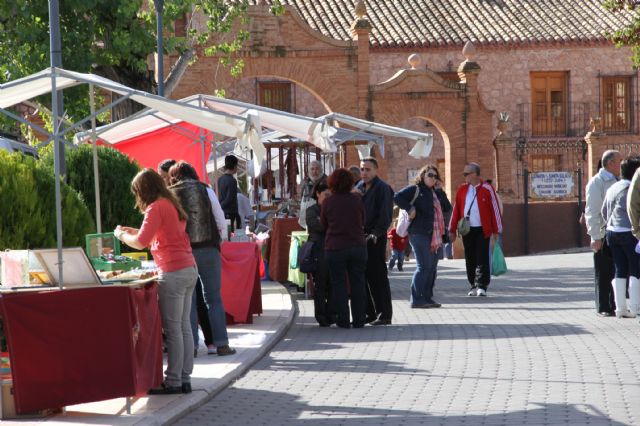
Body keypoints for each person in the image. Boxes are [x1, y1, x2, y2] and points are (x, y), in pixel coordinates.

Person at [114, 168, 197, 395]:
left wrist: (121, 235)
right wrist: (134, 231)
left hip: (173, 271)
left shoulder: (155, 207)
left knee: (174, 329)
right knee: (184, 327)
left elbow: (140, 242)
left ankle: (173, 382)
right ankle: (184, 378)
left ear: (144, 190)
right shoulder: (171, 204)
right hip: (188, 268)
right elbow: (157, 236)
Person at [168, 161, 236, 356]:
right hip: (208, 247)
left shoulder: (170, 194)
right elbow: (219, 218)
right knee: (213, 298)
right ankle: (222, 344)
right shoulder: (205, 189)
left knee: (188, 299)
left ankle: (192, 347)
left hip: (184, 251)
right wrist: (219, 240)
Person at [395, 165, 450, 308]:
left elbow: (447, 208)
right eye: (430, 175)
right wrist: (410, 208)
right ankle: (416, 299)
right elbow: (397, 197)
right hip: (419, 234)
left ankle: (427, 297)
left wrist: (439, 190)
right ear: (423, 175)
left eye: (435, 176)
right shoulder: (415, 189)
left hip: (435, 236)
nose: (433, 178)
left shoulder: (436, 193)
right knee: (423, 267)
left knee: (432, 268)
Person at [321, 168, 368, 328]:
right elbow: (363, 220)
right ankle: (359, 319)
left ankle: (343, 320)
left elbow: (324, 224)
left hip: (335, 247)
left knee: (339, 284)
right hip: (357, 245)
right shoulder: (357, 199)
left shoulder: (328, 202)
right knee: (358, 283)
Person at [448, 162, 502, 297]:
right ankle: (472, 284)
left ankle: (482, 286)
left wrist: (497, 230)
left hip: (483, 229)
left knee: (482, 257)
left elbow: (495, 210)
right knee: (470, 257)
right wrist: (451, 229)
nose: (464, 176)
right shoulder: (462, 190)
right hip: (467, 230)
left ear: (475, 174)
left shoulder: (487, 188)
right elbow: (456, 210)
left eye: (466, 174)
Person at [356, 157, 394, 325]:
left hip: (375, 239)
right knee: (362, 277)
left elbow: (385, 216)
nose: (364, 172)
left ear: (376, 170)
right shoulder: (358, 187)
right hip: (359, 238)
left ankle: (384, 314)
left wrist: (376, 234)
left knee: (378, 277)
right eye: (362, 169)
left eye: (367, 169)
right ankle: (369, 313)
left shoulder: (382, 188)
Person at [603, 156, 640, 318]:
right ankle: (636, 307)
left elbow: (604, 211)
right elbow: (634, 211)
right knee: (635, 268)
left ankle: (620, 308)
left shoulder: (613, 187)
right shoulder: (630, 188)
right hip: (628, 232)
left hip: (612, 231)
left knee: (619, 269)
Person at [586, 150, 621, 316]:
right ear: (610, 163)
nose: (621, 165)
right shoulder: (597, 182)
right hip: (603, 233)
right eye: (618, 162)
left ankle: (616, 304)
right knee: (603, 271)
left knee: (616, 270)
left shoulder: (618, 180)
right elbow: (592, 211)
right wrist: (595, 236)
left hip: (617, 232)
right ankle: (604, 307)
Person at [305, 179, 334, 326]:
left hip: (333, 249)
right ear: (318, 194)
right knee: (321, 284)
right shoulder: (311, 210)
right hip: (319, 251)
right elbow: (319, 227)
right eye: (326, 195)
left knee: (333, 284)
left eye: (331, 195)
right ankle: (321, 316)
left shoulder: (334, 208)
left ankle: (331, 314)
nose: (329, 198)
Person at [298, 160, 327, 229]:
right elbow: (301, 198)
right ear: (309, 171)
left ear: (322, 169)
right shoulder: (305, 183)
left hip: (319, 222)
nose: (314, 171)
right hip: (303, 223)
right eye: (312, 169)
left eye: (317, 169)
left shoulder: (327, 182)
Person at [218, 155, 241, 231]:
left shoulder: (220, 179)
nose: (237, 168)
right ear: (234, 166)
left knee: (225, 234)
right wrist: (221, 206)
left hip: (222, 212)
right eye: (237, 166)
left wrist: (219, 207)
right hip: (230, 212)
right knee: (231, 235)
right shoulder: (232, 180)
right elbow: (229, 198)